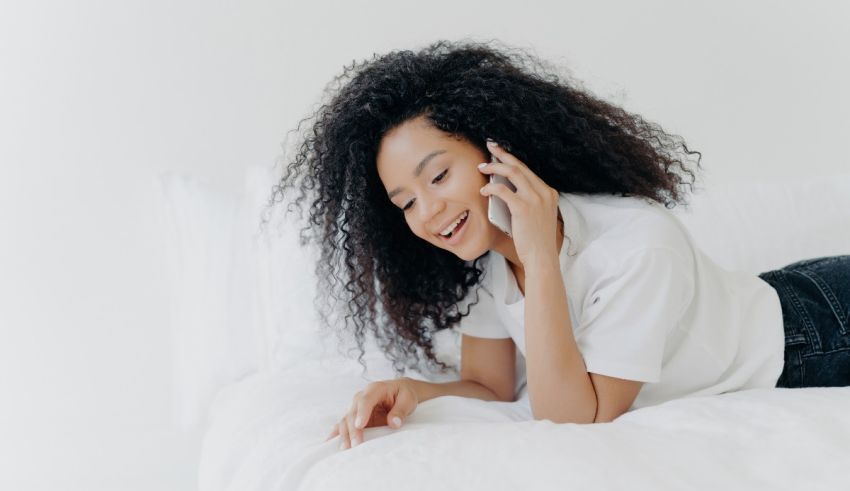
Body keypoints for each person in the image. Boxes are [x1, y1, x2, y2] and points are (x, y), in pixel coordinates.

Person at [264, 39, 850, 451]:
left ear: (497, 151)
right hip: (783, 297)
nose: (428, 212)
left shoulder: (638, 245)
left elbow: (575, 420)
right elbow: (493, 386)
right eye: (406, 203)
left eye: (438, 176)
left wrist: (540, 257)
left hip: (816, 333)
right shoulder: (489, 260)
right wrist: (411, 391)